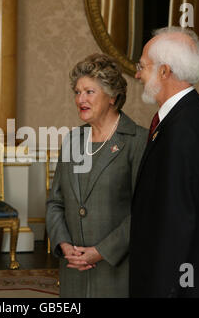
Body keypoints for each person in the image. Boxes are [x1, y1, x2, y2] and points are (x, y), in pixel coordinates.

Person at [130, 27, 199, 297]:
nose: (137, 74)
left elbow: (178, 220)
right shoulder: (185, 117)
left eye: (142, 66)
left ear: (164, 71)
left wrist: (166, 288)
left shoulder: (184, 128)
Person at [46, 53, 147, 297]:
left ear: (112, 96)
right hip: (73, 268)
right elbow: (55, 202)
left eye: (89, 92)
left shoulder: (138, 141)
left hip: (116, 268)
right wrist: (63, 244)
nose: (80, 99)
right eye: (77, 92)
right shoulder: (72, 140)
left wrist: (101, 251)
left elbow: (144, 211)